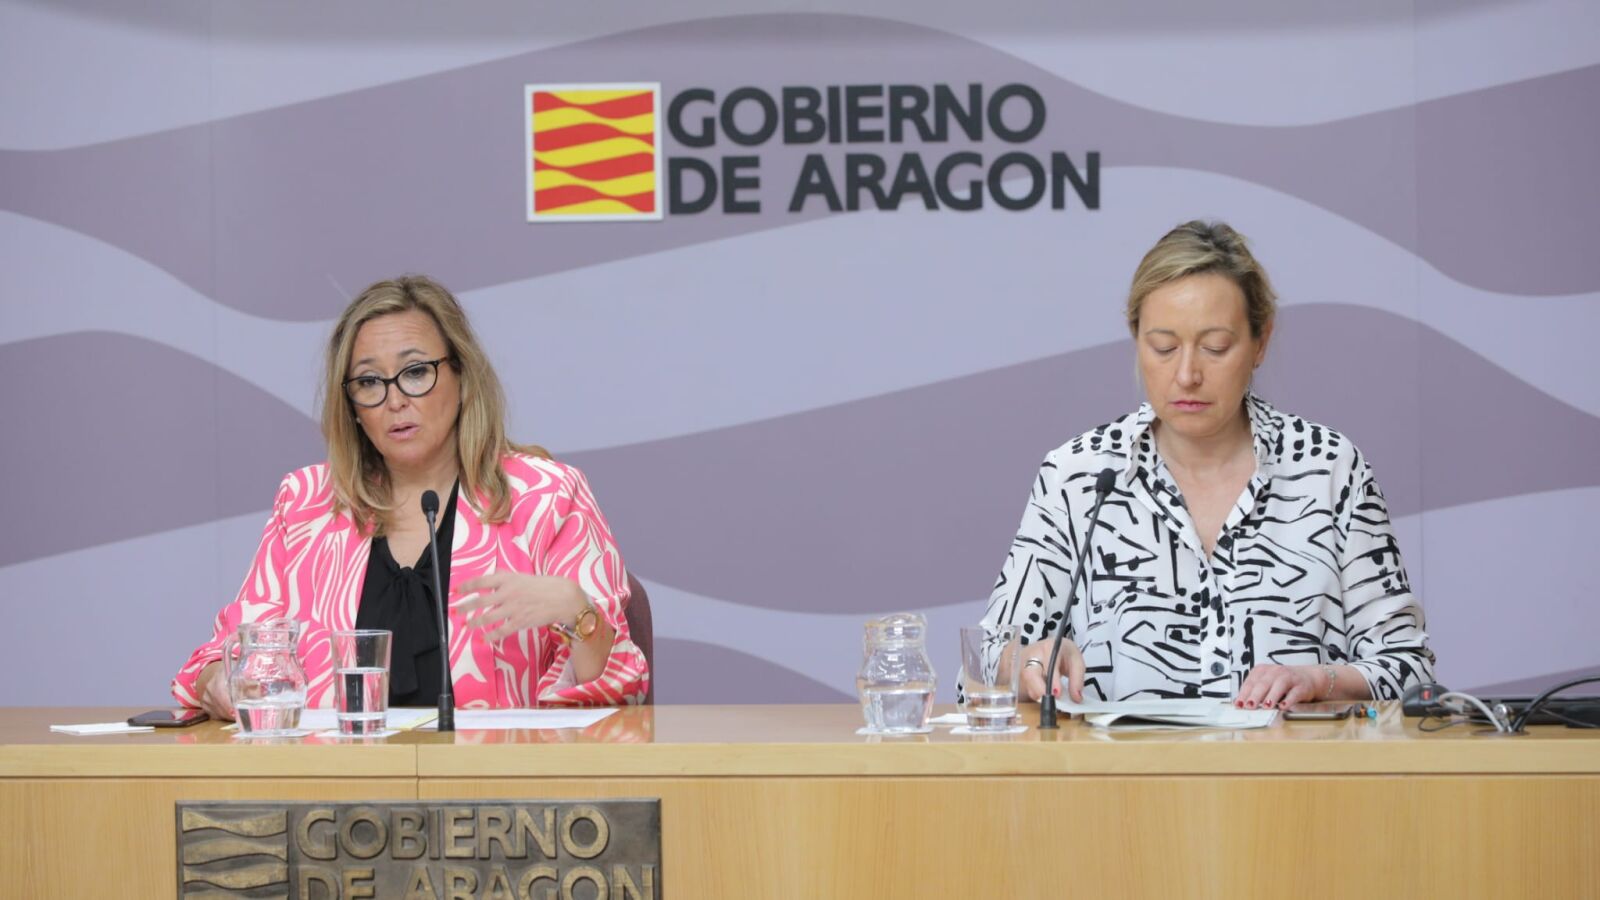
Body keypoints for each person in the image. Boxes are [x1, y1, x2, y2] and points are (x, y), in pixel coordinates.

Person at [983, 221, 1433, 709]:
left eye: (1215, 347)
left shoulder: (1329, 469)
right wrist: (1028, 659)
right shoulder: (1079, 475)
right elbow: (987, 660)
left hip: (1292, 761)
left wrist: (1319, 679)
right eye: (1163, 347)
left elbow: (1408, 667)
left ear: (1260, 342)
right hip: (1121, 762)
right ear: (1136, 338)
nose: (1187, 374)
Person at [173, 275, 647, 716]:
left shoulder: (547, 497)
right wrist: (220, 682)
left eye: (416, 372)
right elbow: (220, 658)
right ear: (352, 407)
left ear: (462, 378)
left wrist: (578, 613)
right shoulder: (306, 504)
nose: (395, 400)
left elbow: (621, 690)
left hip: (497, 776)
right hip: (334, 776)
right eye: (368, 382)